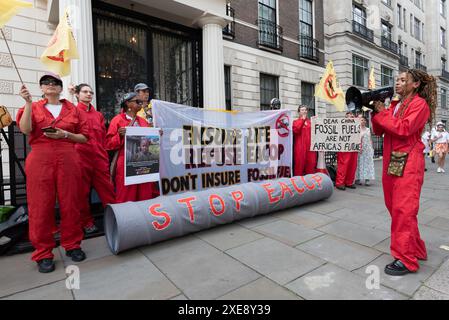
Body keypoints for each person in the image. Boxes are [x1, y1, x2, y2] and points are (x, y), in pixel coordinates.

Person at [17, 73, 89, 273]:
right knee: (40, 206)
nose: (50, 85)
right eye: (46, 83)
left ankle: (73, 244)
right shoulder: (33, 106)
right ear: (41, 88)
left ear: (60, 88)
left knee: (71, 202)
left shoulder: (72, 109)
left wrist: (65, 134)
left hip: (68, 157)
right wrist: (28, 103)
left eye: (55, 83)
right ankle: (43, 252)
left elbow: (84, 137)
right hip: (40, 158)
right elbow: (25, 129)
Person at [372, 69, 437, 276]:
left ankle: (406, 259)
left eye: (402, 80)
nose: (397, 83)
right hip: (394, 161)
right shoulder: (395, 105)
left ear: (415, 84)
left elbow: (404, 128)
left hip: (409, 162)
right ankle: (416, 248)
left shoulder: (420, 105)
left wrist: (383, 113)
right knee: (395, 207)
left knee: (404, 210)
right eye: (396, 80)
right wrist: (377, 112)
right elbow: (379, 131)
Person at [72, 84, 116, 234]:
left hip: (99, 157)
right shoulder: (72, 112)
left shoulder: (98, 115)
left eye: (91, 92)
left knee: (108, 190)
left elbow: (103, 137)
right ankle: (87, 222)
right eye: (85, 92)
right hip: (80, 157)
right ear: (77, 94)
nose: (89, 94)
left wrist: (103, 155)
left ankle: (115, 219)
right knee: (81, 193)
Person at [106, 92, 159, 203]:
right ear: (128, 104)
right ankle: (126, 219)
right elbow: (109, 144)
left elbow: (150, 141)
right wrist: (119, 136)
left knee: (145, 194)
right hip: (126, 164)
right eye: (137, 101)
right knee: (126, 195)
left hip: (144, 163)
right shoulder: (117, 120)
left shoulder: (143, 121)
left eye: (141, 101)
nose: (141, 103)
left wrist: (157, 135)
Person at [335, 112, 358, 190]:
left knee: (352, 165)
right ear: (346, 117)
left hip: (353, 147)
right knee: (343, 165)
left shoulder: (356, 124)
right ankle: (340, 182)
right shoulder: (341, 124)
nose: (351, 116)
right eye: (349, 115)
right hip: (344, 147)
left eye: (352, 115)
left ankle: (349, 182)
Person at [292, 105, 317, 176]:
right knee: (299, 166)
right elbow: (296, 130)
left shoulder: (310, 122)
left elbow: (316, 132)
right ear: (299, 112)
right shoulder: (295, 122)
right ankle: (298, 182)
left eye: (305, 110)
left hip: (310, 148)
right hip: (300, 148)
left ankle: (310, 182)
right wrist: (302, 120)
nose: (304, 111)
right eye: (302, 110)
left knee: (311, 165)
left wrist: (316, 122)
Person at [355, 115, 375, 186]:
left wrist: (372, 148)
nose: (363, 121)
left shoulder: (368, 129)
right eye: (361, 120)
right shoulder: (356, 129)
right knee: (359, 163)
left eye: (364, 120)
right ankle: (357, 178)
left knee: (368, 163)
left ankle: (367, 179)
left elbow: (370, 139)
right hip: (360, 148)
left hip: (367, 148)